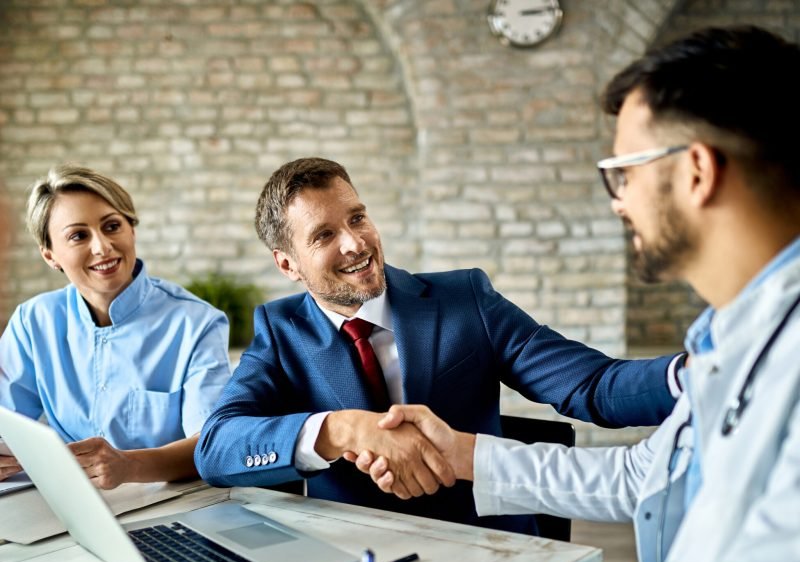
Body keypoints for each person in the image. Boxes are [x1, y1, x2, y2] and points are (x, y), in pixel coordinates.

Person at [342, 25, 800, 562]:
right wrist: (465, 453)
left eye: (625, 172)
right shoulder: (729, 335)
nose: (618, 201)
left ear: (697, 170)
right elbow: (645, 474)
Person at [195, 157, 683, 534]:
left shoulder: (464, 299)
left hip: (488, 545)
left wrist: (698, 376)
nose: (355, 244)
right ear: (288, 265)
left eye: (358, 218)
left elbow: (593, 386)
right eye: (325, 235)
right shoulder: (281, 332)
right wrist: (342, 430)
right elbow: (217, 446)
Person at [0, 165, 231, 489]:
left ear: (131, 230)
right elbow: (6, 424)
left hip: (170, 501)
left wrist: (130, 466)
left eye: (112, 226)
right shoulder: (32, 323)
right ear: (50, 255)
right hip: (69, 501)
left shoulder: (196, 324)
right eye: (79, 235)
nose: (102, 247)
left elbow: (214, 445)